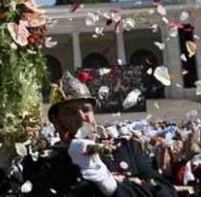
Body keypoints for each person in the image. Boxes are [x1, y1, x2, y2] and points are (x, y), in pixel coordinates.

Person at [22, 72, 177, 196]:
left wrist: (113, 187)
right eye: (70, 112)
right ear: (56, 121)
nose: (82, 117)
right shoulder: (45, 162)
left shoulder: (125, 148)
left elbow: (166, 191)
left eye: (86, 109)